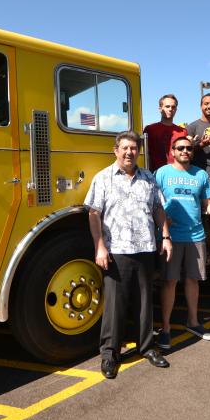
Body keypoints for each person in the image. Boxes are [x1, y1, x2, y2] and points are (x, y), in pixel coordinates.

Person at [85, 131, 173, 379]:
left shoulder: (148, 178)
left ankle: (146, 347)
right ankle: (110, 354)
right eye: (124, 148)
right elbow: (93, 213)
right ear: (116, 150)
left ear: (138, 151)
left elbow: (157, 208)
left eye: (134, 148)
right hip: (117, 252)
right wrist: (99, 246)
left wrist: (165, 236)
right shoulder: (103, 178)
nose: (129, 152)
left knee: (146, 303)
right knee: (115, 305)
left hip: (145, 248)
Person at [154, 136, 210, 349]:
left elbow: (207, 202)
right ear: (173, 151)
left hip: (195, 236)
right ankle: (165, 329)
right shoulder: (162, 173)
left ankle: (193, 322)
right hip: (170, 238)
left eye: (189, 148)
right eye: (181, 148)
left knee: (193, 280)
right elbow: (153, 201)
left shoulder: (200, 174)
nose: (185, 151)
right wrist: (161, 221)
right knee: (170, 281)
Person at [143, 94, 188, 172]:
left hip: (177, 174)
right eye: (167, 106)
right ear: (160, 109)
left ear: (176, 110)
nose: (170, 109)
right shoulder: (150, 129)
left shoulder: (183, 132)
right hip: (155, 174)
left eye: (173, 107)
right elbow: (145, 154)